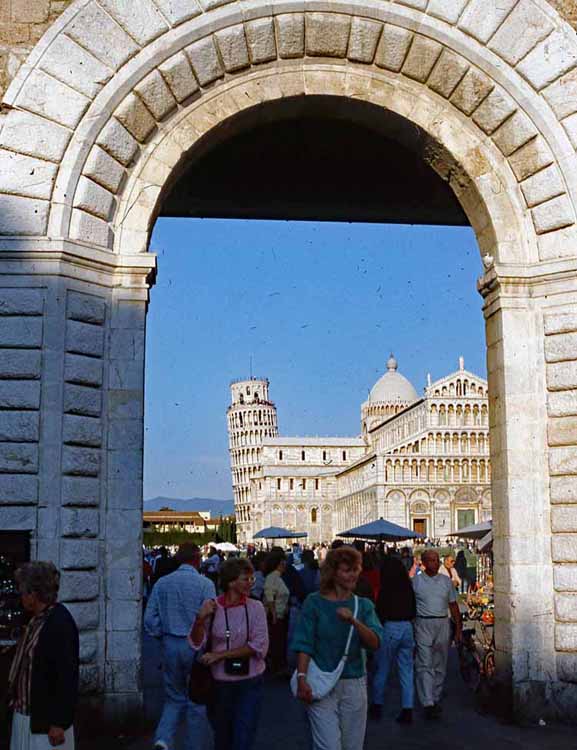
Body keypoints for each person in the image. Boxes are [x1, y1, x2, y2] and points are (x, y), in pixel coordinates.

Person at [292, 546, 382, 750]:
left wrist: (355, 622)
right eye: (346, 570)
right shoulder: (314, 603)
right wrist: (301, 677)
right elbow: (304, 642)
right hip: (320, 681)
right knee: (328, 746)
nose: (353, 574)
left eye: (355, 569)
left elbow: (375, 643)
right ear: (333, 573)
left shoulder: (364, 605)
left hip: (353, 683)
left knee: (352, 745)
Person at [189, 558, 269, 750]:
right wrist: (200, 619)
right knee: (222, 736)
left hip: (250, 680)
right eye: (246, 579)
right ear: (231, 581)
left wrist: (220, 655)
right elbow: (196, 643)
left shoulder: (256, 607)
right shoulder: (213, 607)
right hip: (220, 683)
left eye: (252, 579)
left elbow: (259, 646)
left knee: (244, 736)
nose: (251, 582)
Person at [144, 543, 216, 750]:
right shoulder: (205, 584)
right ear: (197, 559)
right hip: (197, 643)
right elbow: (211, 619)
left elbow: (149, 619)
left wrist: (163, 633)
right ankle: (194, 746)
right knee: (197, 700)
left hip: (170, 643)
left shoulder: (162, 584)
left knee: (174, 697)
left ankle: (163, 739)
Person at [8, 561, 79, 750]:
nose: (21, 597)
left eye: (23, 592)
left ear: (34, 594)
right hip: (26, 716)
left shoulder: (59, 623)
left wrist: (59, 723)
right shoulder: (35, 620)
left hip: (45, 725)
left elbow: (67, 675)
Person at [412, 549, 462, 720]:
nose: (434, 563)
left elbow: (453, 604)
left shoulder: (446, 581)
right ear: (424, 563)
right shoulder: (416, 582)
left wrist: (458, 629)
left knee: (440, 662)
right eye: (431, 560)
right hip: (423, 622)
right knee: (424, 662)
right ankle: (427, 702)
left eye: (436, 560)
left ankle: (435, 696)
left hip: (442, 622)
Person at [370, 556, 416, 724]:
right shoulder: (407, 587)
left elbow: (379, 611)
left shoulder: (386, 589)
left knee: (382, 667)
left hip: (390, 626)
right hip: (407, 627)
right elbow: (413, 610)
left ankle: (377, 704)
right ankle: (407, 708)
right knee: (406, 670)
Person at [263, 549, 290, 675]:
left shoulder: (278, 577)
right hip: (275, 615)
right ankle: (276, 667)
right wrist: (273, 614)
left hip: (281, 614)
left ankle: (278, 665)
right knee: (276, 642)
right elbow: (269, 597)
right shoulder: (272, 577)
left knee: (279, 641)